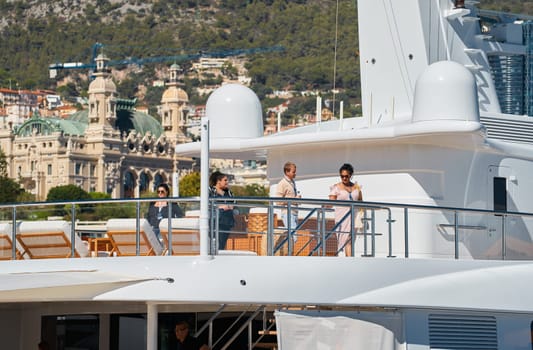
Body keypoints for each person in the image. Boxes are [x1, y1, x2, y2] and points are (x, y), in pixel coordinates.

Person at [329, 163, 363, 257]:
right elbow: (330, 203)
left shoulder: (356, 187)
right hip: (342, 218)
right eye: (342, 176)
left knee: (350, 240)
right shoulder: (336, 187)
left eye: (346, 176)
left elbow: (361, 201)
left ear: (350, 175)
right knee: (345, 239)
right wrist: (324, 207)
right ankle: (349, 261)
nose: (344, 178)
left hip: (354, 217)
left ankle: (348, 261)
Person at [275, 162, 300, 241]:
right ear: (287, 172)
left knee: (294, 236)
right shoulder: (282, 183)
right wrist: (293, 200)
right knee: (293, 237)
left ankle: (290, 252)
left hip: (294, 212)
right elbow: (278, 201)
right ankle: (289, 253)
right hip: (288, 213)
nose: (295, 173)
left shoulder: (292, 182)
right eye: (293, 172)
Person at [209, 171, 235, 250]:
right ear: (218, 181)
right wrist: (221, 207)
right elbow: (208, 204)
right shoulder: (210, 191)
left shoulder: (229, 192)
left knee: (222, 244)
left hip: (226, 223)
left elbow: (233, 204)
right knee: (214, 244)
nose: (227, 182)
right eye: (225, 180)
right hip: (215, 221)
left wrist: (225, 207)